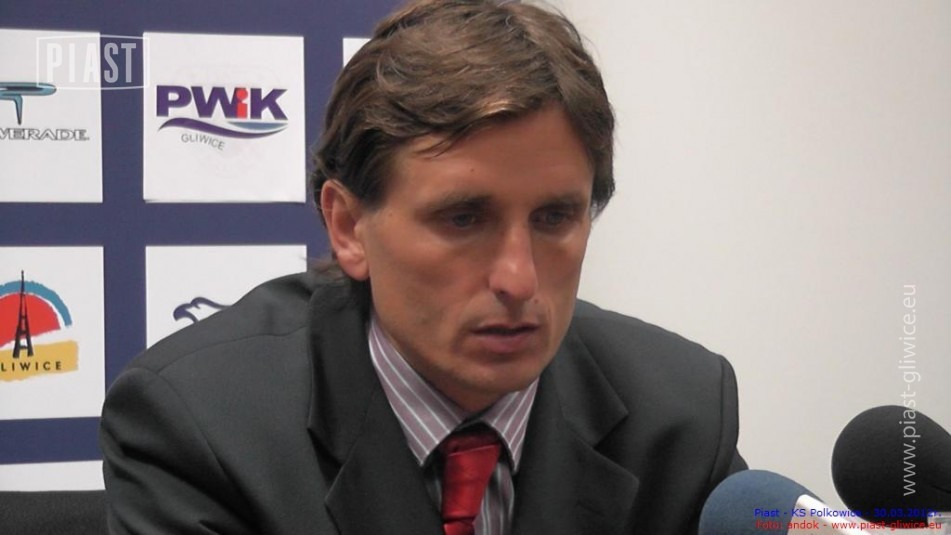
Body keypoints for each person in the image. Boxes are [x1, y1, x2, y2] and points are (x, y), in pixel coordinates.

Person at [100, 1, 745, 534]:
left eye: (554, 218)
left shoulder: (680, 411)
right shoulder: (202, 426)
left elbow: (773, 519)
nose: (518, 280)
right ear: (348, 227)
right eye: (463, 219)